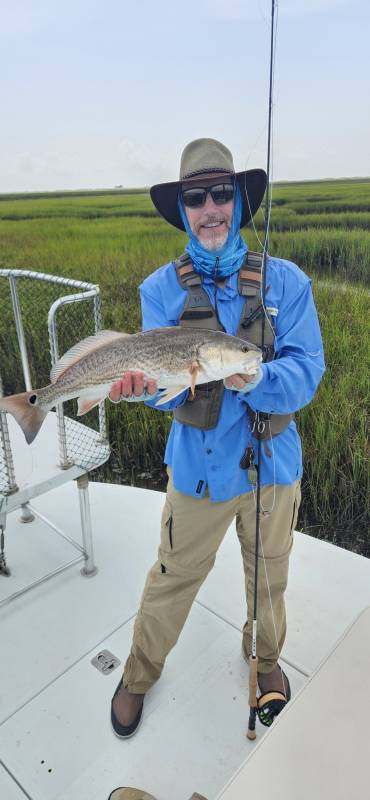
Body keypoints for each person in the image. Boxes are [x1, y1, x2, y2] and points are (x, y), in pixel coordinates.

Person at [109, 138, 325, 738]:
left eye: (221, 193)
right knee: (173, 575)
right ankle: (139, 673)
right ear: (183, 207)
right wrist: (146, 388)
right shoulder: (161, 290)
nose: (210, 208)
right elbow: (164, 387)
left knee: (270, 574)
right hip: (199, 471)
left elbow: (308, 369)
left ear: (238, 200)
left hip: (273, 468)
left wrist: (253, 375)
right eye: (196, 197)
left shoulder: (287, 282)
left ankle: (267, 656)